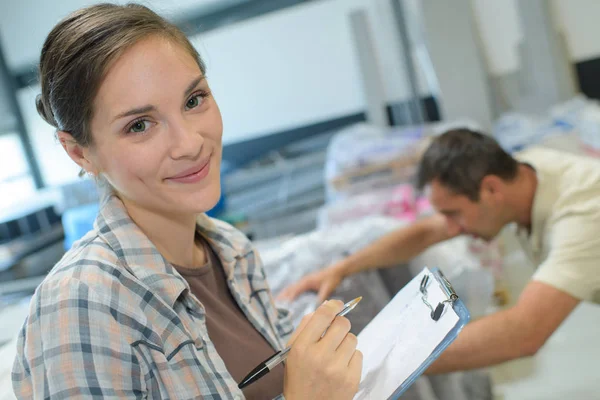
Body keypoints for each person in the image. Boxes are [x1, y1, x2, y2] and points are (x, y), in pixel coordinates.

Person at [12, 4, 362, 399]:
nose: (190, 143)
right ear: (79, 153)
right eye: (139, 126)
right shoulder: (81, 305)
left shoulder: (232, 251)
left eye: (194, 100)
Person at [279, 128, 600, 374]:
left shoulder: (584, 217)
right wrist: (341, 269)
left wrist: (375, 359)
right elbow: (428, 231)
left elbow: (523, 333)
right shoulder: (525, 171)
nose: (451, 227)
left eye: (454, 213)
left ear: (491, 189)